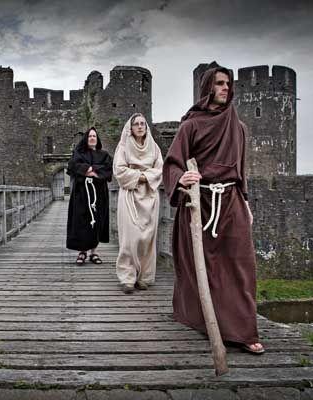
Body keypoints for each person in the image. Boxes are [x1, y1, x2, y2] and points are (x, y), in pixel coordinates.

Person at [162, 65, 264, 354]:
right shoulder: (190, 126)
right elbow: (173, 163)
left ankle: (243, 330)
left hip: (231, 201)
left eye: (228, 83)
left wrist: (245, 202)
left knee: (241, 265)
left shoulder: (238, 127)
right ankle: (207, 321)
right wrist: (181, 177)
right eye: (219, 83)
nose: (225, 88)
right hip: (199, 203)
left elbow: (241, 169)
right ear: (208, 87)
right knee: (202, 267)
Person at [113, 113, 163, 294]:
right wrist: (140, 177)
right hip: (130, 195)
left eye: (143, 124)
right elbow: (119, 170)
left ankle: (144, 277)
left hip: (150, 195)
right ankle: (127, 277)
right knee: (130, 237)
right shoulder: (123, 146)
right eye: (136, 124)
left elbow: (159, 168)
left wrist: (144, 177)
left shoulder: (154, 147)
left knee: (147, 238)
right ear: (131, 128)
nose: (140, 126)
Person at [66, 127, 113, 265]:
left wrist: (91, 169)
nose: (92, 138)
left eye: (94, 136)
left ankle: (94, 252)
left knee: (97, 221)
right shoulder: (78, 153)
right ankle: (82, 252)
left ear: (97, 139)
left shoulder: (104, 155)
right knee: (82, 221)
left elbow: (108, 169)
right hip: (81, 194)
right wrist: (89, 169)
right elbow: (73, 166)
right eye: (90, 136)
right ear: (86, 138)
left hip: (99, 193)